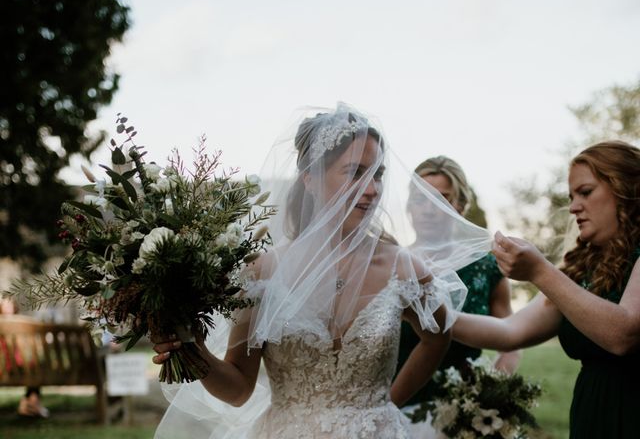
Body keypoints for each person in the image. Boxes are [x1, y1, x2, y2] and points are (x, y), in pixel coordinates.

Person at [151, 103, 491, 438]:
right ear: (310, 178)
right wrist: (195, 353)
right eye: (355, 172)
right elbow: (239, 389)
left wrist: (387, 404)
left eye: (377, 175)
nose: (372, 190)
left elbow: (438, 336)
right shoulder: (263, 272)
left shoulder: (402, 267)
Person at [453, 140, 640, 438]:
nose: (574, 206)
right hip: (592, 419)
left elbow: (624, 334)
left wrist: (540, 272)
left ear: (626, 190)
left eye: (586, 192)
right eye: (572, 196)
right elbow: (510, 331)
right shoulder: (583, 272)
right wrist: (433, 312)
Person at [396, 156, 521, 410]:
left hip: (463, 411)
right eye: (421, 199)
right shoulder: (390, 265)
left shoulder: (487, 268)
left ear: (460, 205)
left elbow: (512, 342)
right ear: (409, 205)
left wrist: (490, 393)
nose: (429, 209)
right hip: (398, 404)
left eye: (442, 198)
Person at [0, 298, 50, 418]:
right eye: (5, 305)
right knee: (35, 368)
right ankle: (31, 405)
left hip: (10, 366)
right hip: (8, 367)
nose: (7, 308)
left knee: (34, 367)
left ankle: (30, 404)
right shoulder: (20, 323)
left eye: (9, 305)